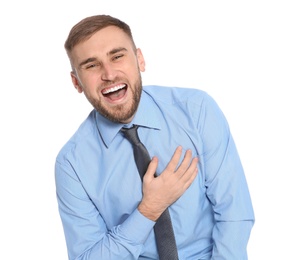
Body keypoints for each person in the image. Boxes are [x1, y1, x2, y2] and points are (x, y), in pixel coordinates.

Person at [55, 14, 255, 260]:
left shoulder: (196, 111)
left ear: (139, 59)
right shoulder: (72, 164)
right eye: (91, 65)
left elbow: (234, 214)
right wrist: (149, 209)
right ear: (77, 82)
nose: (109, 74)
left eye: (117, 56)